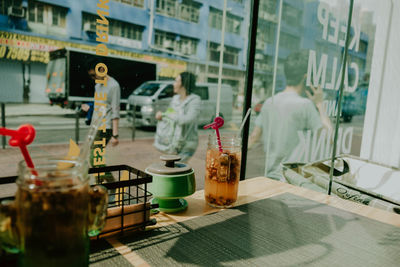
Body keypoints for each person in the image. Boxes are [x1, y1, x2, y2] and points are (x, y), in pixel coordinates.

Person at [249, 51, 332, 181]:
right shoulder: (305, 105)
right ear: (305, 78)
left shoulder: (269, 102)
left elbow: (253, 137)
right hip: (290, 180)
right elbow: (328, 138)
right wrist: (320, 104)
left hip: (270, 176)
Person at [81, 58, 120, 186]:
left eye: (94, 75)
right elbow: (99, 104)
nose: (92, 78)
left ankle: (111, 183)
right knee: (96, 158)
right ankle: (101, 185)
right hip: (96, 125)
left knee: (94, 158)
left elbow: (115, 110)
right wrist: (89, 106)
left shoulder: (114, 86)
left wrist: (115, 135)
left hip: (106, 126)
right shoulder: (98, 85)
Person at [155, 72, 201, 162]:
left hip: (187, 145)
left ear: (183, 84)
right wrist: (162, 116)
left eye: (176, 81)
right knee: (174, 169)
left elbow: (187, 119)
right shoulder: (175, 99)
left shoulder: (195, 100)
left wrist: (166, 115)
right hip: (174, 143)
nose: (174, 84)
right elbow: (170, 116)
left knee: (178, 169)